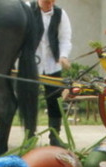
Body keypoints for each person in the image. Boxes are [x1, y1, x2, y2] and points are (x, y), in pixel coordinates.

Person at [31, 0, 72, 146]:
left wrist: (63, 56)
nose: (49, 4)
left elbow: (64, 39)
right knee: (29, 101)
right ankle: (29, 136)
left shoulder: (60, 14)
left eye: (52, 1)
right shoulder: (28, 10)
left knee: (55, 101)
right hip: (31, 65)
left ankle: (54, 137)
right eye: (46, 1)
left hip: (52, 64)